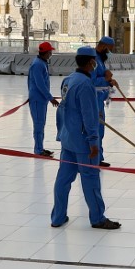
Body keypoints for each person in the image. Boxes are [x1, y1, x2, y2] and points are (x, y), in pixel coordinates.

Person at [52, 46, 121, 230]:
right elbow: (89, 117)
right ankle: (98, 218)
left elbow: (63, 110)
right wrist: (93, 141)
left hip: (68, 139)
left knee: (63, 180)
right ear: (91, 62)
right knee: (90, 179)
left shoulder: (68, 80)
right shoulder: (85, 85)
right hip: (83, 142)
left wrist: (62, 132)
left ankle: (58, 217)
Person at [28, 41, 60, 157]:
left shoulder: (42, 63)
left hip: (41, 100)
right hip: (37, 100)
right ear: (46, 52)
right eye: (50, 52)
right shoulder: (37, 65)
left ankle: (40, 147)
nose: (51, 54)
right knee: (38, 125)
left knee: (41, 125)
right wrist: (50, 98)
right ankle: (38, 150)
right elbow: (40, 84)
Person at [91, 36, 117, 167]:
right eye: (109, 49)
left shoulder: (100, 58)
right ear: (103, 46)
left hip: (99, 100)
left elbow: (101, 76)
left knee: (100, 131)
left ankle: (98, 158)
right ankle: (94, 158)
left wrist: (109, 81)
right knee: (95, 130)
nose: (109, 52)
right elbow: (91, 81)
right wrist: (106, 79)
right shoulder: (93, 59)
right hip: (93, 100)